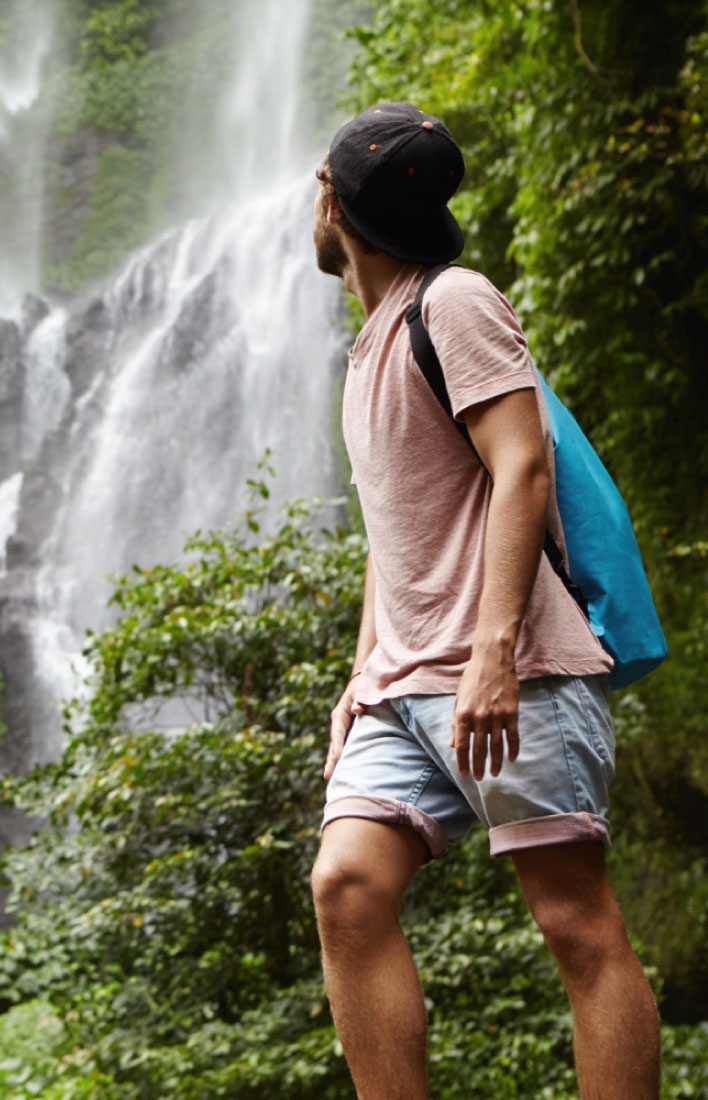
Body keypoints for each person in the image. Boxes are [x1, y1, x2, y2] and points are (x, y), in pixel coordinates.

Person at [309, 102, 660, 1100]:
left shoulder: (453, 302)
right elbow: (398, 527)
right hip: (399, 683)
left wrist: (494, 651)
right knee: (345, 884)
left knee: (575, 922)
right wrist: (358, 671)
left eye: (317, 188)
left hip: (515, 670)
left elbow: (521, 471)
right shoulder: (371, 342)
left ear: (334, 202)